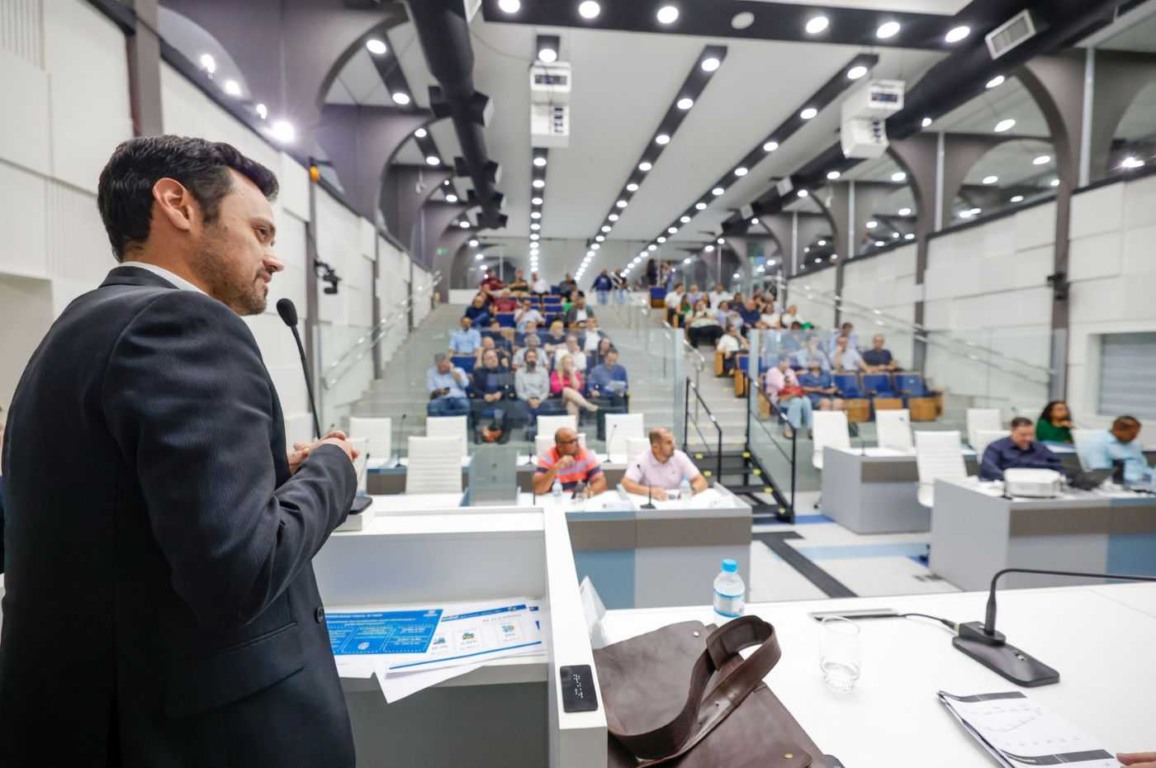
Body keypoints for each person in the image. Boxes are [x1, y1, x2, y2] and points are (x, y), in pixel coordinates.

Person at [0, 136, 359, 766]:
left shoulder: (78, 327)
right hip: (198, 737)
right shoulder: (185, 325)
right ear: (178, 205)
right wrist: (334, 468)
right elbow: (239, 574)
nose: (273, 260)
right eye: (261, 231)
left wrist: (275, 476)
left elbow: (132, 518)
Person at [622, 428, 708, 500]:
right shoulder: (642, 460)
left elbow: (701, 481)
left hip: (677, 504)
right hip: (651, 507)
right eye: (668, 443)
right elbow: (626, 483)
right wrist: (650, 491)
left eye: (673, 441)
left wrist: (692, 490)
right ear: (655, 447)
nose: (673, 446)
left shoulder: (680, 457)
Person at [980, 417, 1064, 481]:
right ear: (1012, 431)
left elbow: (1058, 466)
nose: (1028, 439)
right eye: (1023, 435)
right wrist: (1016, 480)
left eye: (1031, 435)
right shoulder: (996, 447)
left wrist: (1060, 477)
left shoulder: (1040, 448)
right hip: (1008, 485)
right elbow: (988, 470)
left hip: (1041, 485)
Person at [533, 427, 607, 496]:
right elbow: (538, 489)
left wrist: (590, 492)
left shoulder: (585, 454)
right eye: (572, 442)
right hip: (554, 501)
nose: (577, 444)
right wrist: (555, 467)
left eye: (577, 440)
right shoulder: (548, 457)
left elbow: (601, 482)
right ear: (560, 446)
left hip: (578, 502)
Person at [1086, 416, 1151, 485]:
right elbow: (1100, 472)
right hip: (1120, 483)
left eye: (1137, 433)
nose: (1135, 436)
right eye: (1132, 434)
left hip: (1143, 481)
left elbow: (1142, 465)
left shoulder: (1134, 443)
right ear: (1117, 430)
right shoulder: (1099, 444)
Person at [765, 357, 813, 438]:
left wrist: (790, 383)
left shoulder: (790, 371)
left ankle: (810, 428)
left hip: (793, 395)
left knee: (806, 400)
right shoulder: (772, 372)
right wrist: (790, 383)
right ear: (780, 362)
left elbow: (796, 385)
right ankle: (789, 428)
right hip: (778, 397)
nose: (789, 364)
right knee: (797, 401)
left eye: (789, 362)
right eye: (787, 362)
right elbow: (781, 386)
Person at [515, 348, 551, 419]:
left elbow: (545, 391)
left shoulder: (543, 371)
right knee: (519, 407)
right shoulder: (519, 372)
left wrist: (538, 401)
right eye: (529, 357)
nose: (532, 359)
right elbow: (520, 392)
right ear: (525, 360)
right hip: (525, 399)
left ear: (537, 359)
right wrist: (529, 400)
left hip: (540, 399)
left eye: (534, 357)